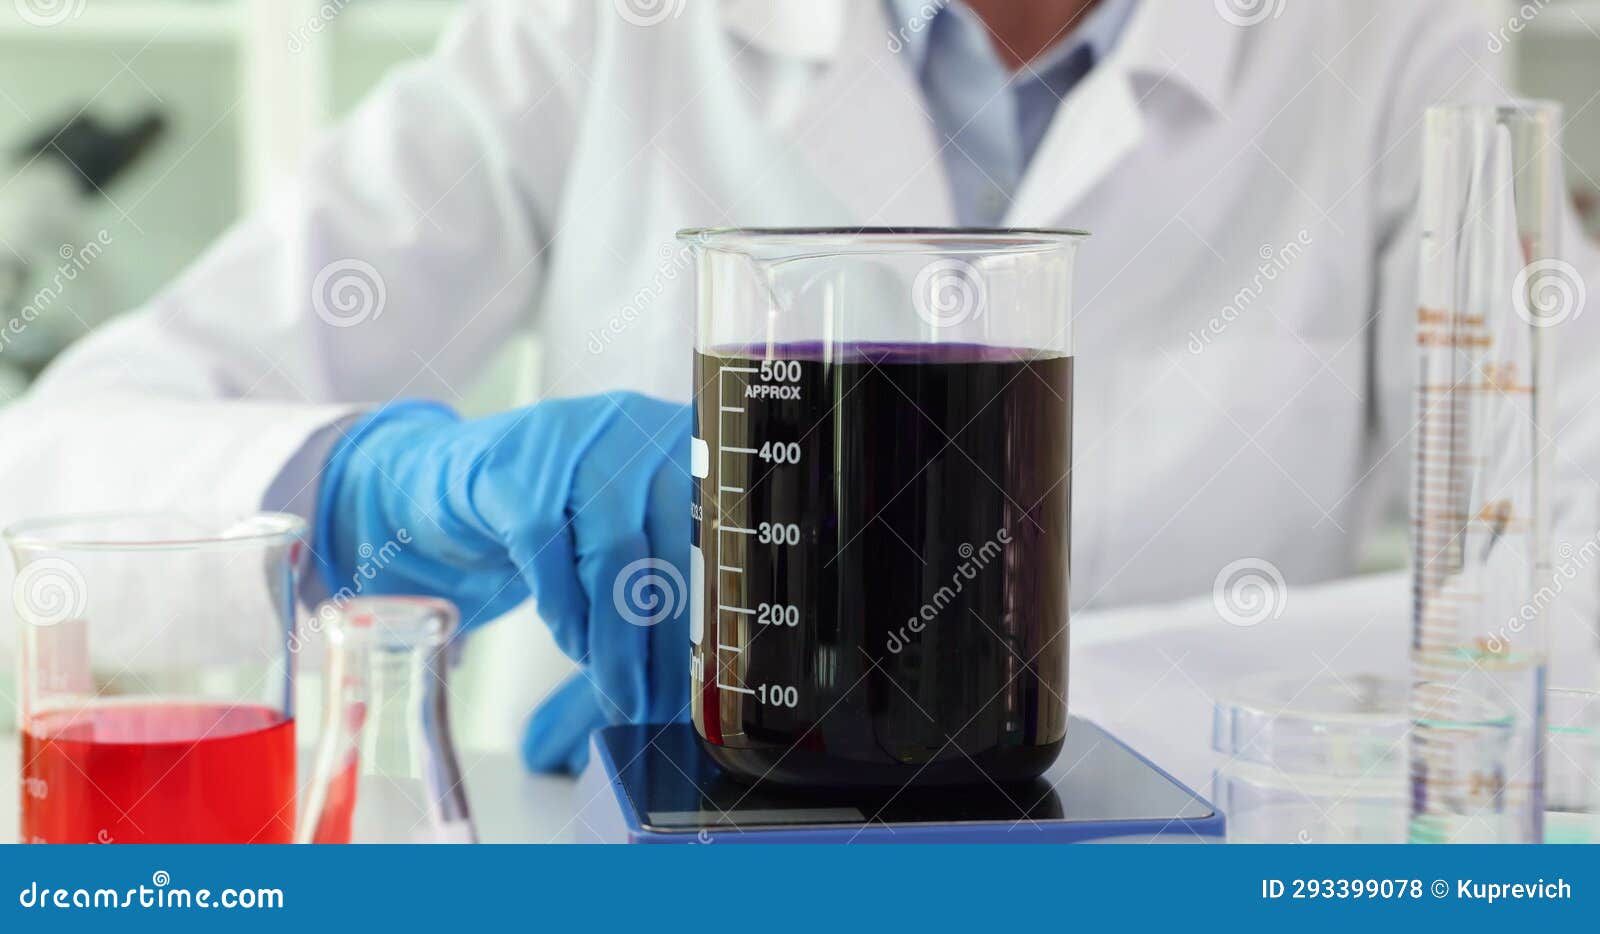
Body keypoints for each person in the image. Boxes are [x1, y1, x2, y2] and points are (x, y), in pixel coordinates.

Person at [3, 0, 1597, 773]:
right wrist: (377, 485)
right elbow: (58, 467)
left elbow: (1572, 586)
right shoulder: (602, 27)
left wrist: (970, 690)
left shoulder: (1384, 41)